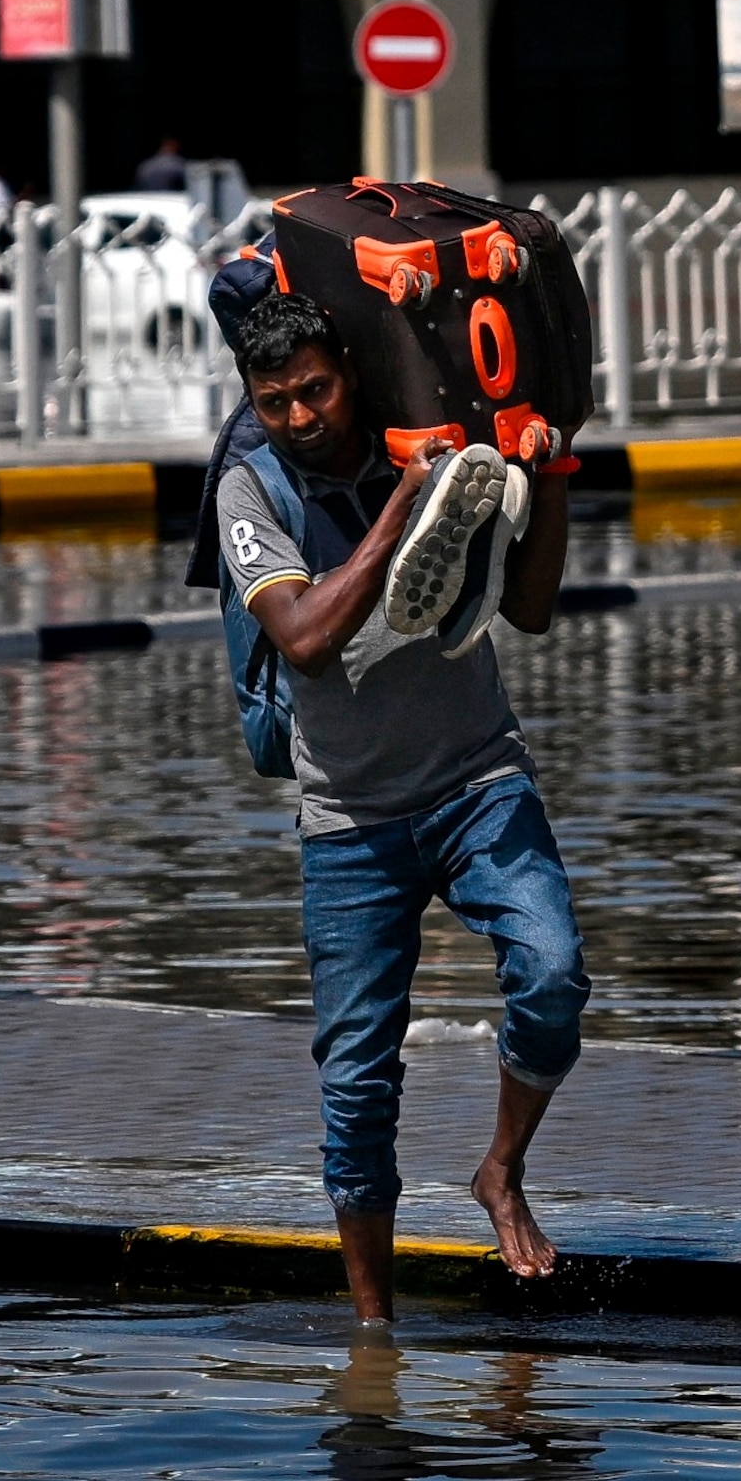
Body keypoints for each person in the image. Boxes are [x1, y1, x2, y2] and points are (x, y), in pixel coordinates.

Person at [217, 290, 587, 1323]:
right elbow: (300, 636)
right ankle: (374, 1334)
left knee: (554, 974)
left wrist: (548, 476)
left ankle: (500, 1170)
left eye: (318, 390)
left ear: (351, 370)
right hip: (349, 819)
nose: (301, 415)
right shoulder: (251, 489)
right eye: (277, 400)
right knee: (357, 1085)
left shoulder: (422, 440)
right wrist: (398, 514)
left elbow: (530, 608)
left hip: (476, 779)